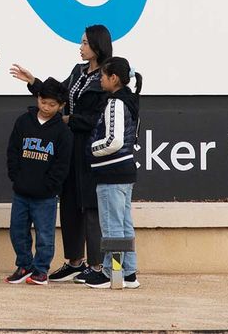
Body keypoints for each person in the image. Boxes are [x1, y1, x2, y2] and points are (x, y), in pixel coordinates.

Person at [8, 24, 112, 283]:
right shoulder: (78, 71)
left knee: (89, 205)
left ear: (98, 46)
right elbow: (58, 94)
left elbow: (97, 117)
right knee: (68, 203)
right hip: (68, 145)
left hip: (90, 147)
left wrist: (68, 120)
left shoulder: (107, 76)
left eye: (86, 43)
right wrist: (34, 82)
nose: (81, 47)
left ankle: (97, 265)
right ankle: (74, 261)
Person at [4, 77, 72, 286]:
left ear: (61, 106)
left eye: (52, 105)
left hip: (46, 197)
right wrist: (16, 175)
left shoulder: (62, 132)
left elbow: (62, 164)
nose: (46, 108)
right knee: (17, 230)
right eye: (43, 102)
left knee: (45, 234)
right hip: (21, 192)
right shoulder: (23, 121)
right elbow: (12, 150)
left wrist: (50, 186)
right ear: (38, 99)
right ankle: (24, 265)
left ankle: (41, 270)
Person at [85, 56, 142, 289]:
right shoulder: (131, 100)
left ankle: (112, 272)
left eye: (103, 76)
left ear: (114, 78)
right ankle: (128, 273)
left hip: (112, 172)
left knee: (112, 225)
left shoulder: (115, 103)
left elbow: (114, 140)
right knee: (123, 223)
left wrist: (91, 150)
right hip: (124, 172)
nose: (100, 79)